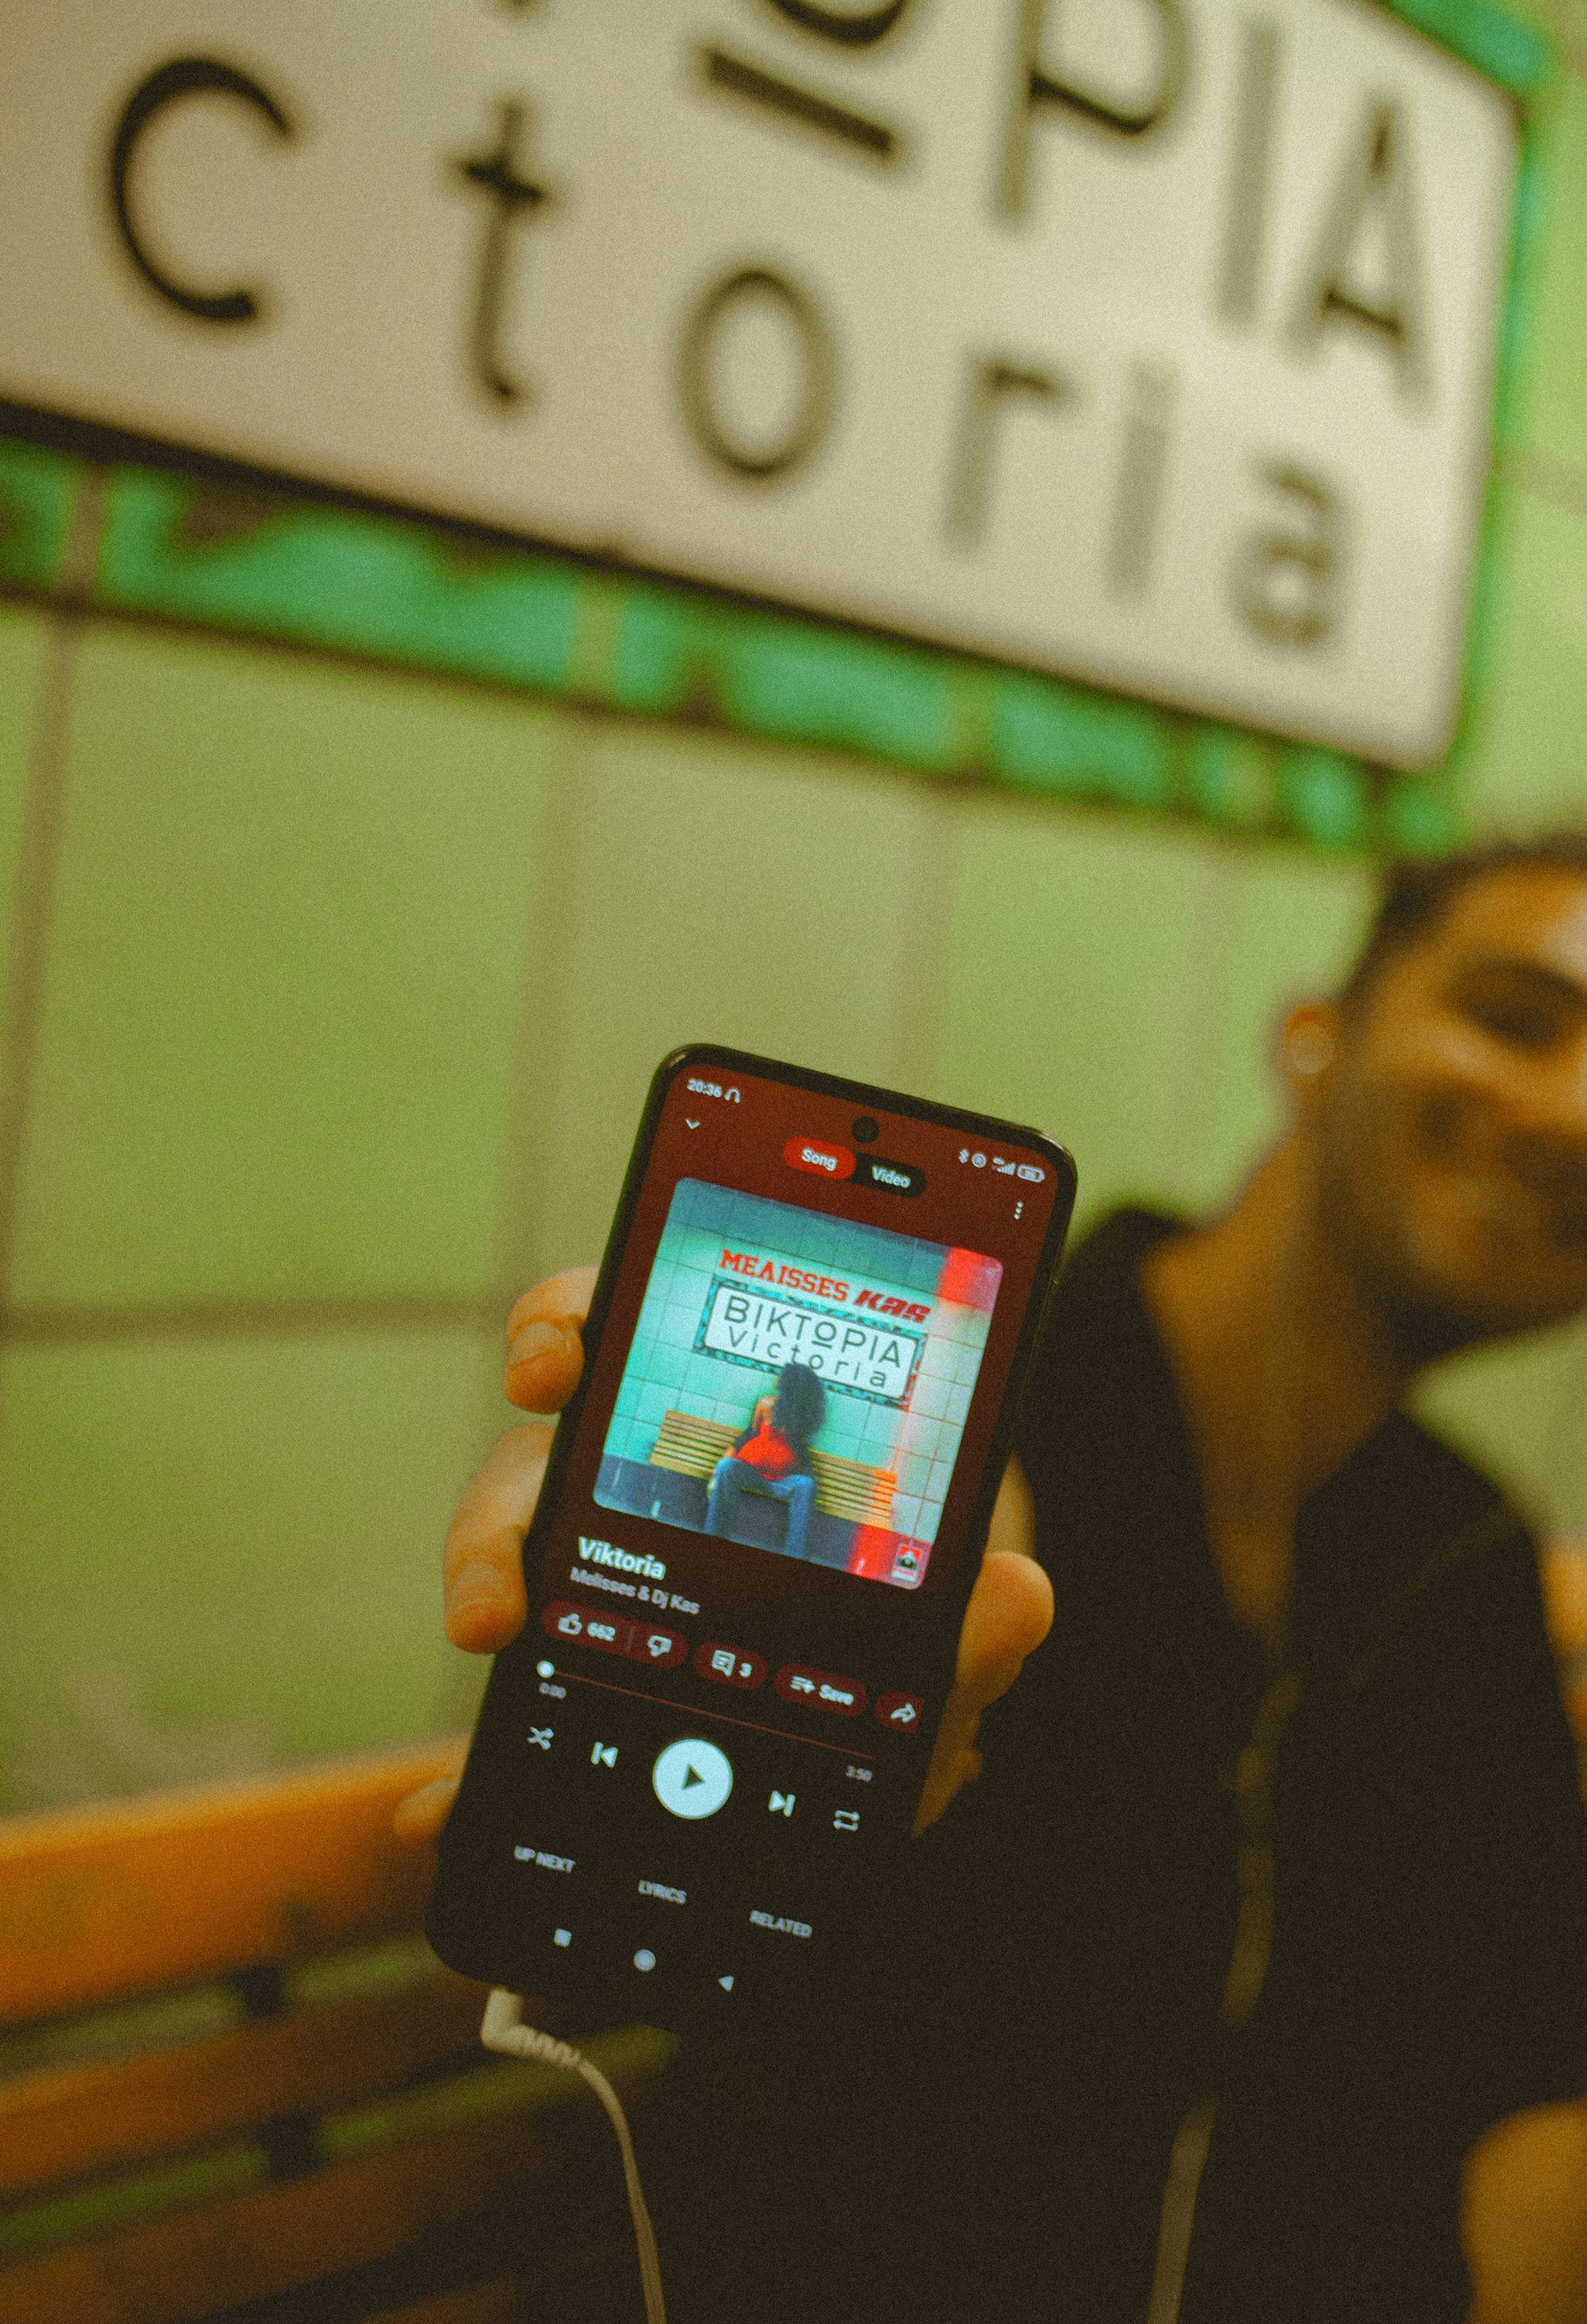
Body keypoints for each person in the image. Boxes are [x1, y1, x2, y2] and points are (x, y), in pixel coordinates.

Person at [401, 836, 1587, 2324]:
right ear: (1315, 1038)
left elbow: (1531, 2058)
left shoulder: (1464, 1549)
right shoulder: (976, 1442)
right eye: (1515, 1018)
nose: (1574, 1112)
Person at [702, 1361, 826, 1557]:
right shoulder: (765, 1403)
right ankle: (713, 1537)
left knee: (806, 1486)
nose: (776, 1378)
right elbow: (750, 1434)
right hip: (750, 1472)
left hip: (781, 1482)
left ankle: (795, 1555)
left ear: (789, 1383)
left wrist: (810, 1476)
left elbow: (800, 1449)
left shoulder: (802, 1416)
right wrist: (719, 1468)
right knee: (726, 1466)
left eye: (781, 1375)